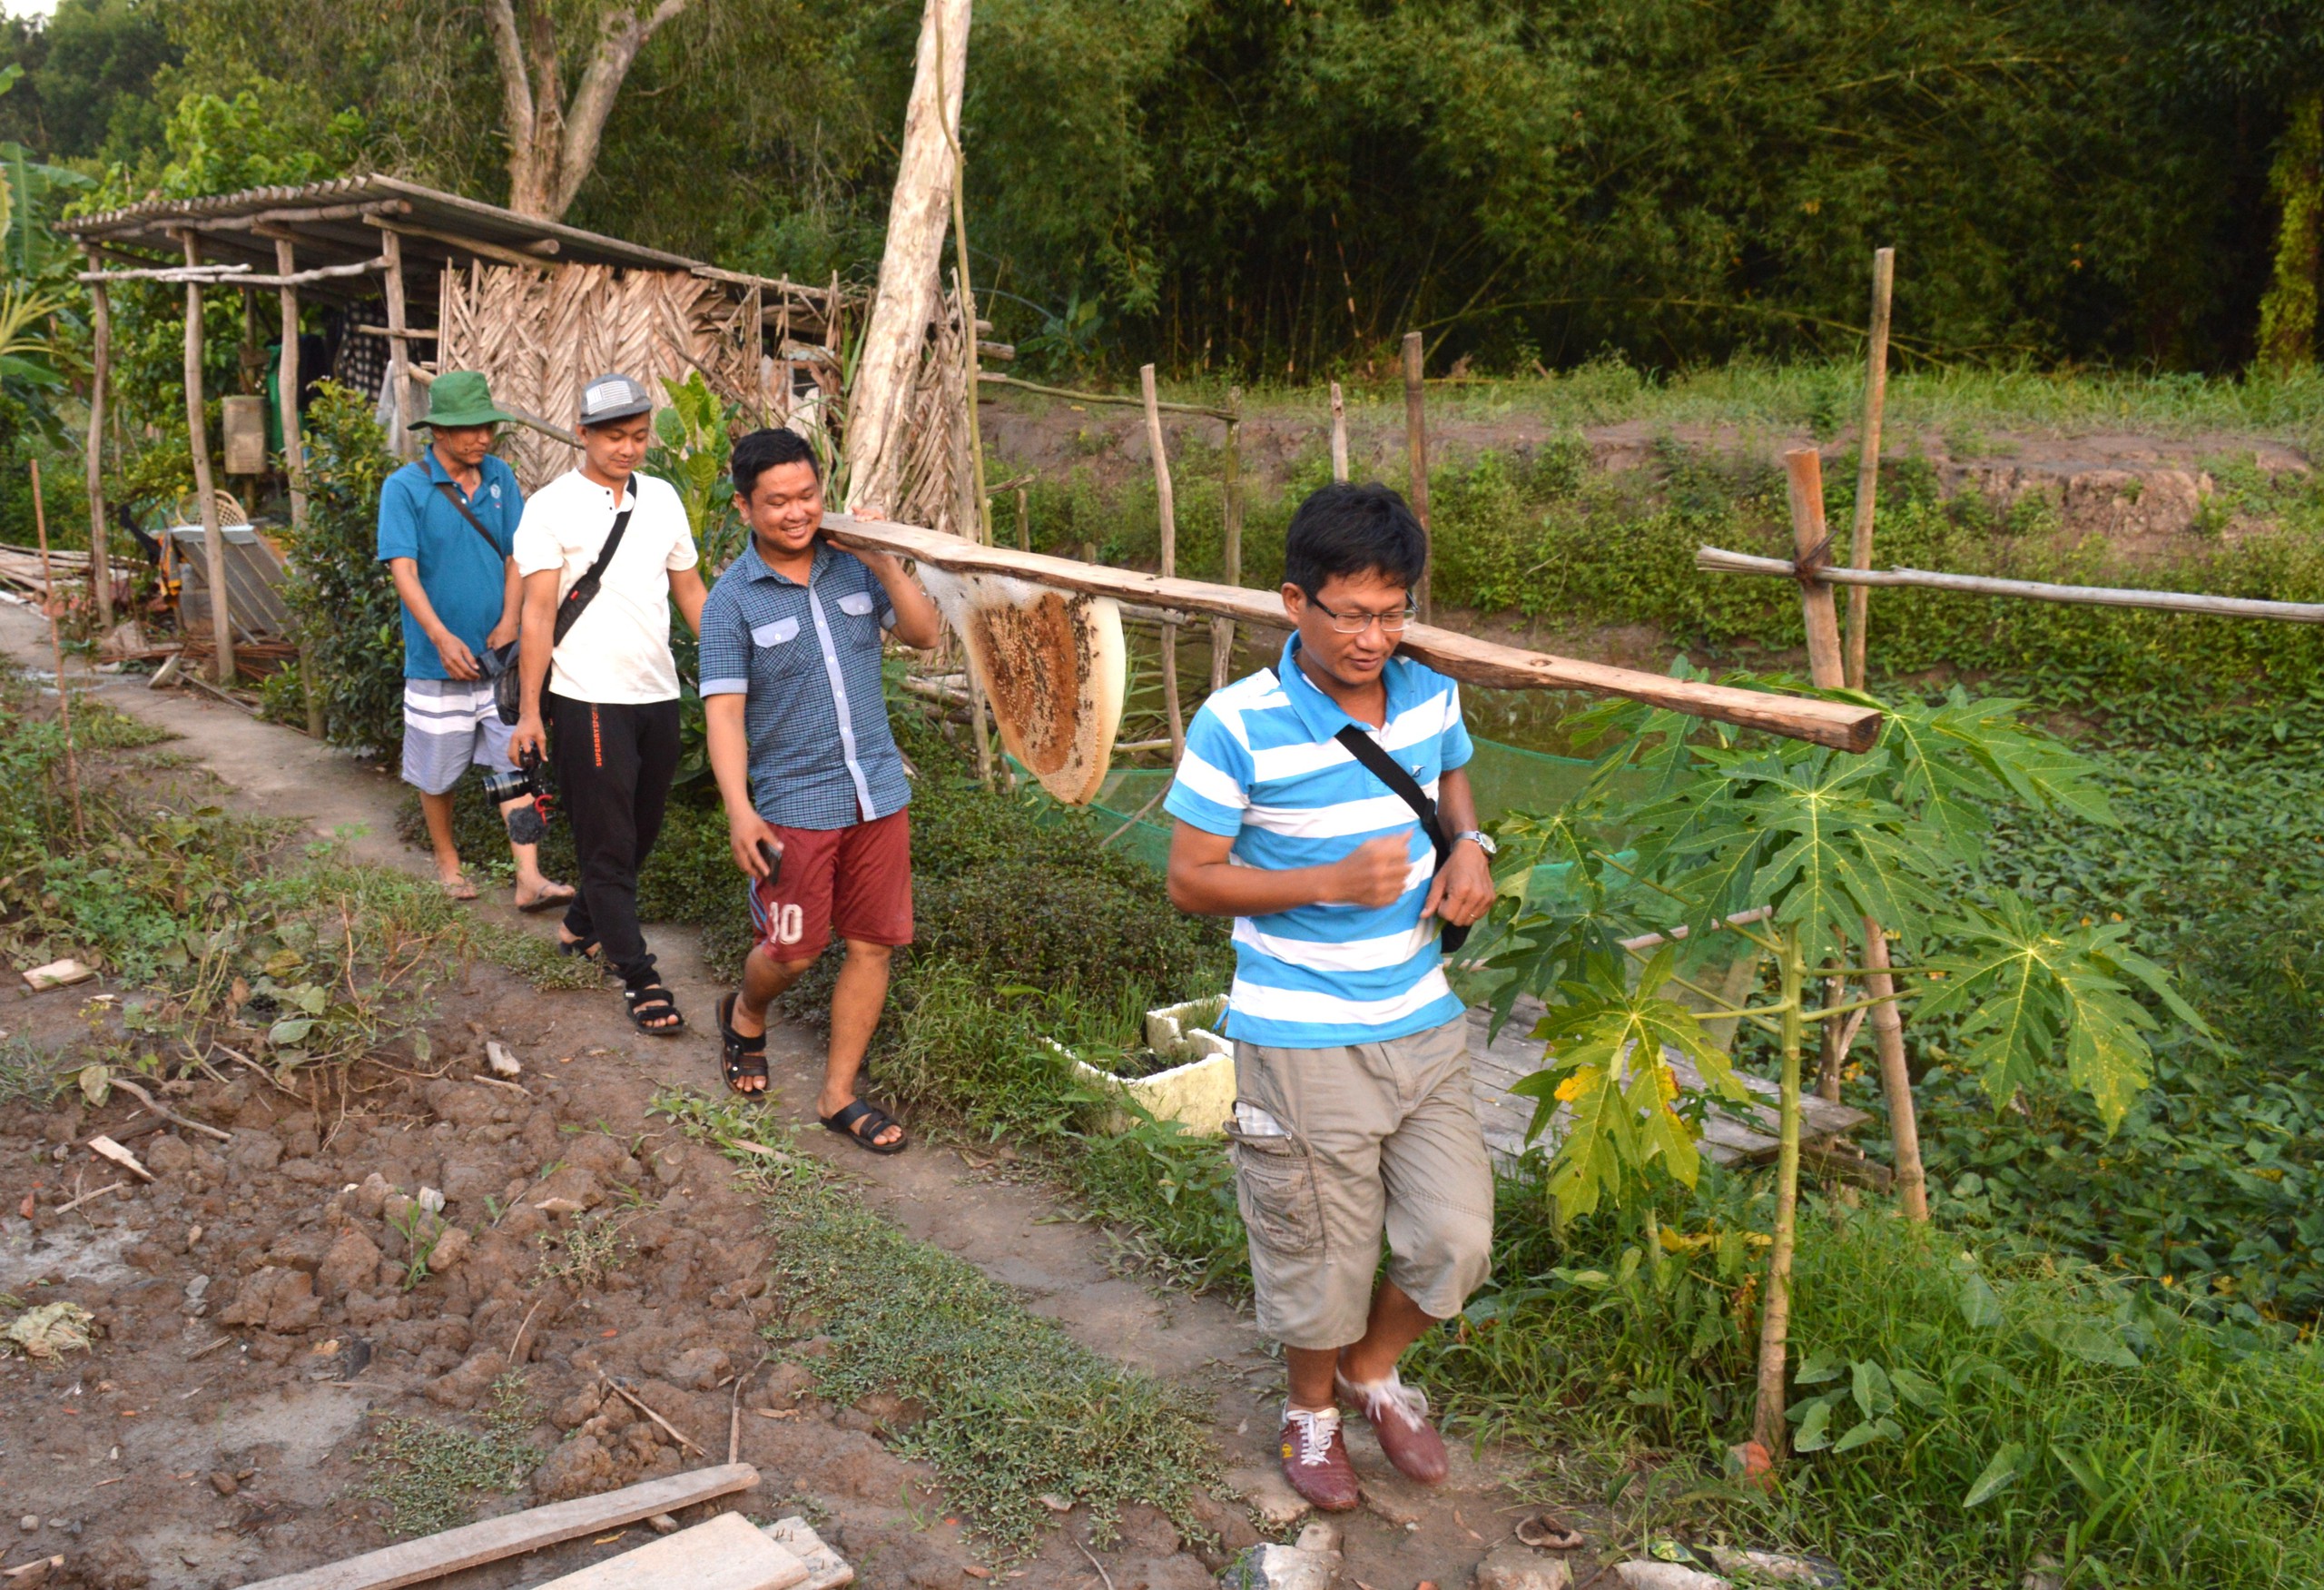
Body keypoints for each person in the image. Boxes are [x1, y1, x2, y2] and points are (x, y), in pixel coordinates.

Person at [1162, 481, 1499, 1512]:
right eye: (1350, 612)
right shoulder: (1237, 724)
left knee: (1457, 1237)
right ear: (1293, 601)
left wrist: (1473, 847)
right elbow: (1189, 876)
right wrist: (1323, 880)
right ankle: (1310, 1409)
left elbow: (1450, 786)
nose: (1372, 635)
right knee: (1321, 1247)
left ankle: (1371, 1369)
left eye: (1393, 611)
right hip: (1300, 1027)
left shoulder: (1429, 691)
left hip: (1423, 1015)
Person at [696, 427, 943, 1151]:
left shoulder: (852, 570)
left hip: (877, 797)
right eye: (777, 502)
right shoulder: (731, 601)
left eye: (807, 495)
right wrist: (740, 811)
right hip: (794, 808)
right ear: (745, 507)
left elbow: (926, 634)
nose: (796, 512)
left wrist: (882, 559)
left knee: (872, 945)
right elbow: (725, 716)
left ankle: (838, 1095)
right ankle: (745, 1011)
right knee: (794, 950)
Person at [508, 372, 709, 1036]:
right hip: (587, 695)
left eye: (639, 435)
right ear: (583, 433)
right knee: (609, 840)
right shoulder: (550, 507)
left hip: (657, 692)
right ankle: (638, 974)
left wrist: (733, 667)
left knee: (641, 832)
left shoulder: (664, 500)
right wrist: (531, 712)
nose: (629, 448)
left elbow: (691, 593)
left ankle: (581, 926)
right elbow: (538, 615)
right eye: (615, 436)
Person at [377, 370, 575, 912]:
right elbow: (403, 570)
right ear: (437, 430)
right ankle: (448, 863)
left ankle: (529, 878)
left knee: (516, 764)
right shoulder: (405, 487)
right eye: (468, 429)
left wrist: (512, 619)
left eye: (487, 426)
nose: (482, 437)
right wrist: (439, 637)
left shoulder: (500, 478)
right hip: (435, 662)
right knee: (436, 772)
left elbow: (517, 554)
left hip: (500, 661)